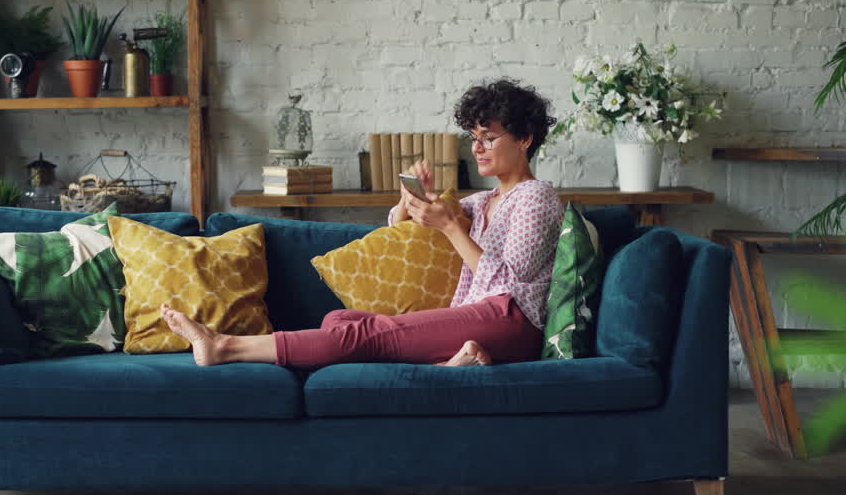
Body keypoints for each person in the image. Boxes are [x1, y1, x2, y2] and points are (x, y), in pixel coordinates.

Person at [162, 78, 564, 369]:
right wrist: (411, 200)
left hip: (512, 322)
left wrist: (451, 228)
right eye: (473, 137)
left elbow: (508, 285)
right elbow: (398, 225)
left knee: (360, 335)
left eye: (488, 138)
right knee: (342, 320)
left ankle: (225, 346)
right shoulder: (484, 200)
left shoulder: (536, 197)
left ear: (525, 138)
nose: (476, 148)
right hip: (480, 316)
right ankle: (456, 364)